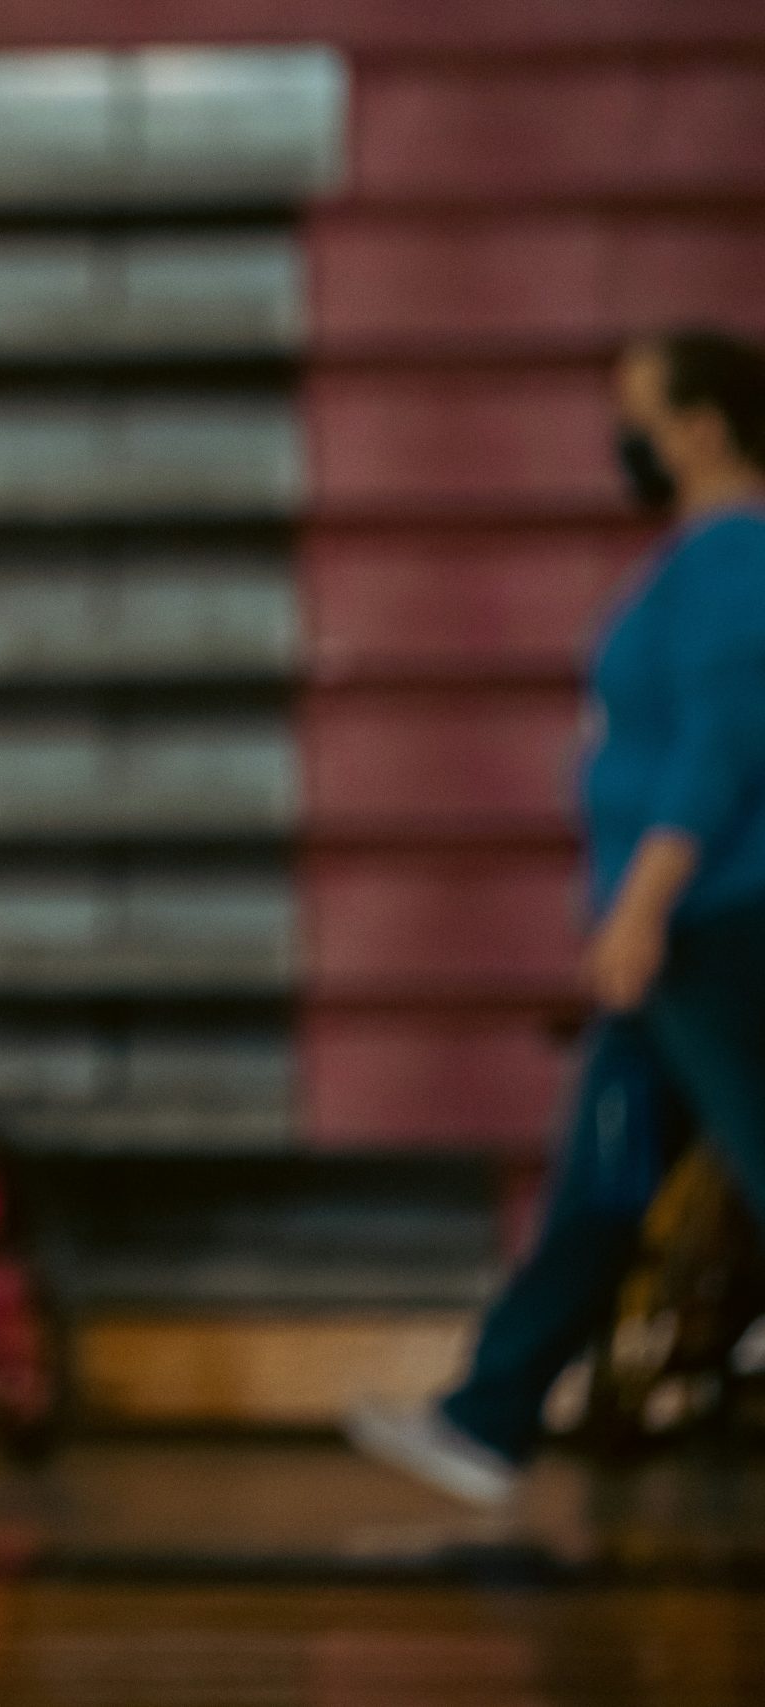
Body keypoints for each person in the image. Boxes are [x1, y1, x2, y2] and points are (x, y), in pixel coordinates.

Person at [349, 327, 765, 1504]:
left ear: (702, 424)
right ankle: (489, 1417)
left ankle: (492, 1412)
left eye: (637, 409)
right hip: (678, 942)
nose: (621, 435)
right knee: (607, 1179)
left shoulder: (733, 559)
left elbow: (724, 752)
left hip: (715, 932)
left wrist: (639, 908)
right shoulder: (696, 558)